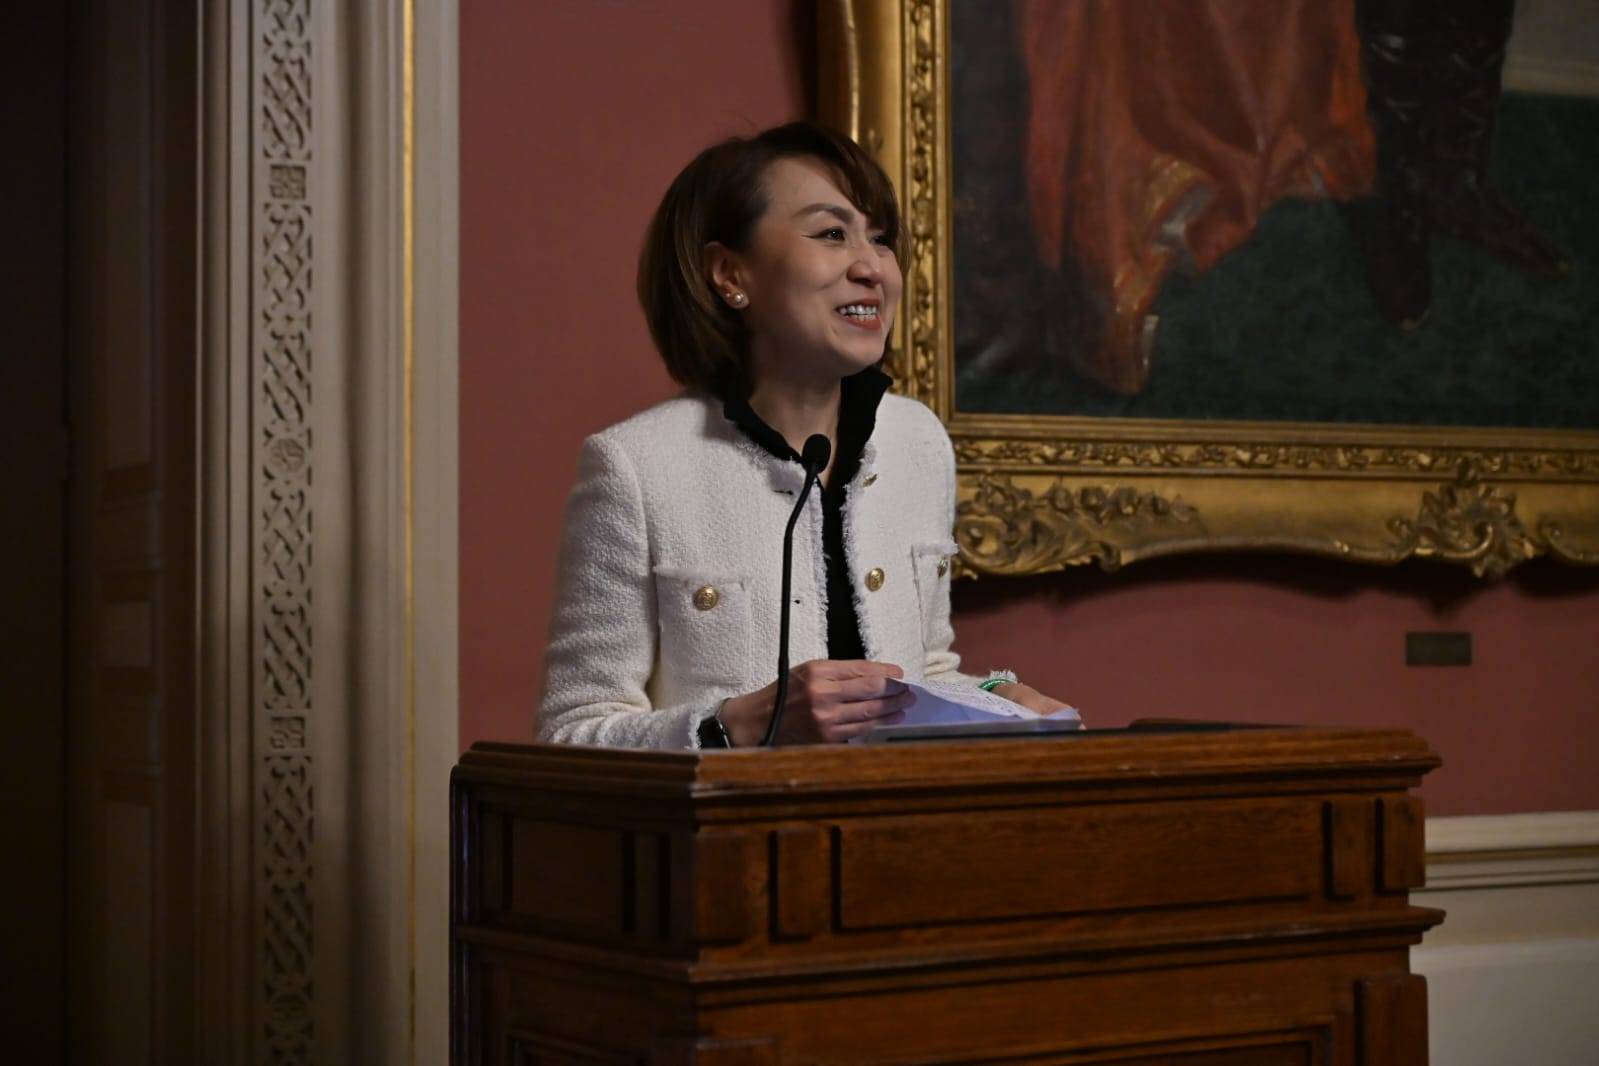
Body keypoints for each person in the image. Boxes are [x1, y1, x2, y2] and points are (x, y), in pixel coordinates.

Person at [536, 121, 1070, 750]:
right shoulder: (635, 466)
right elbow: (571, 732)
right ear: (730, 273)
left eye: (880, 239)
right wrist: (734, 727)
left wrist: (997, 699)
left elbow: (922, 674)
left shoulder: (918, 442)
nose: (872, 267)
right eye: (832, 234)